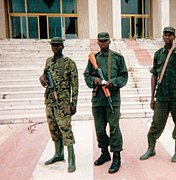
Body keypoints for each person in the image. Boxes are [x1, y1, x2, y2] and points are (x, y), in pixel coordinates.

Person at [140, 26, 176, 162]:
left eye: (170, 35)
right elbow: (154, 76)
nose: (167, 37)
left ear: (174, 37)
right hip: (162, 97)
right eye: (165, 34)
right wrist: (152, 97)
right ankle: (151, 149)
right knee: (156, 124)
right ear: (163, 36)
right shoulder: (158, 54)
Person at [83, 32, 128, 173]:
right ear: (98, 42)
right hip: (98, 99)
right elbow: (87, 75)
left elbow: (124, 76)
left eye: (105, 41)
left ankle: (116, 156)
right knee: (99, 129)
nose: (103, 43)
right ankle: (105, 152)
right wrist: (94, 80)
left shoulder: (117, 58)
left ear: (109, 42)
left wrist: (113, 83)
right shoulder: (93, 59)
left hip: (112, 99)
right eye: (101, 41)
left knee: (114, 128)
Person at [39, 37, 78, 172]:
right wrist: (42, 79)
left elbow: (75, 85)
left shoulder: (69, 63)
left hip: (63, 103)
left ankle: (71, 159)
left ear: (63, 46)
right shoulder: (48, 62)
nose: (56, 48)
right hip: (49, 101)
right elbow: (44, 76)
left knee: (66, 129)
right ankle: (58, 154)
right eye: (53, 45)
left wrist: (74, 103)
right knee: (53, 128)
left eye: (58, 45)